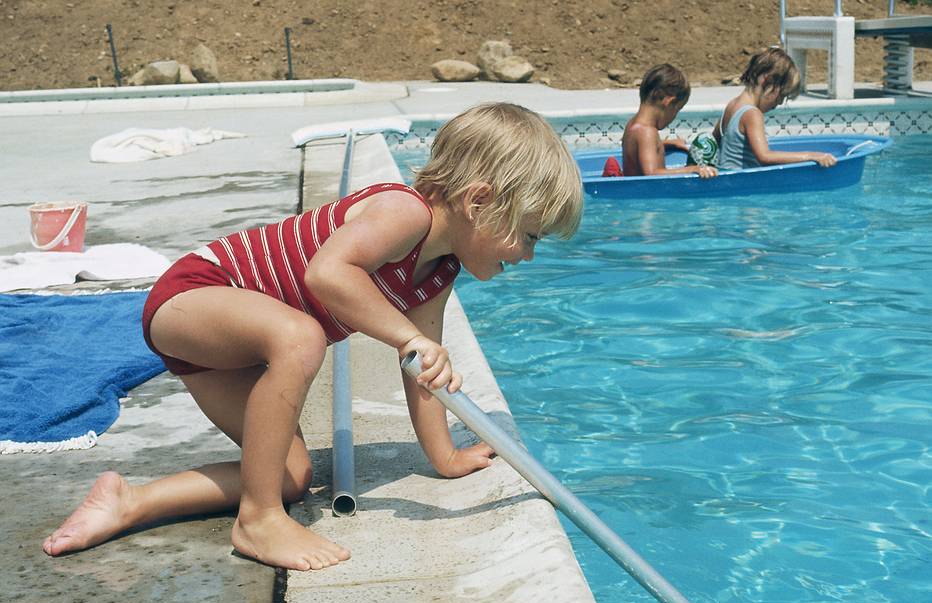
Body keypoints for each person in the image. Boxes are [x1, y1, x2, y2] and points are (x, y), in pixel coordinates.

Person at [42, 103, 583, 572]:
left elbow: (422, 370)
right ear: (479, 200)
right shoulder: (404, 212)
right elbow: (327, 274)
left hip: (234, 344)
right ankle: (257, 523)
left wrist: (443, 457)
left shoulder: (439, 271)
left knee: (290, 475)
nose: (528, 254)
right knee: (300, 335)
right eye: (529, 235)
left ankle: (131, 502)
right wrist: (406, 337)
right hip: (194, 295)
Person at [714, 48, 837, 170]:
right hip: (745, 184)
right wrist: (811, 155)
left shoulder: (731, 105)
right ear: (766, 80)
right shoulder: (752, 114)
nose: (780, 102)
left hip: (728, 180)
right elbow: (765, 156)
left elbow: (713, 143)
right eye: (782, 95)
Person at [621, 64, 718, 178]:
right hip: (647, 194)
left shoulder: (633, 124)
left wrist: (666, 144)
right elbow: (651, 174)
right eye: (677, 109)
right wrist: (692, 169)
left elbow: (640, 150)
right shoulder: (647, 132)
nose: (674, 116)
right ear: (669, 102)